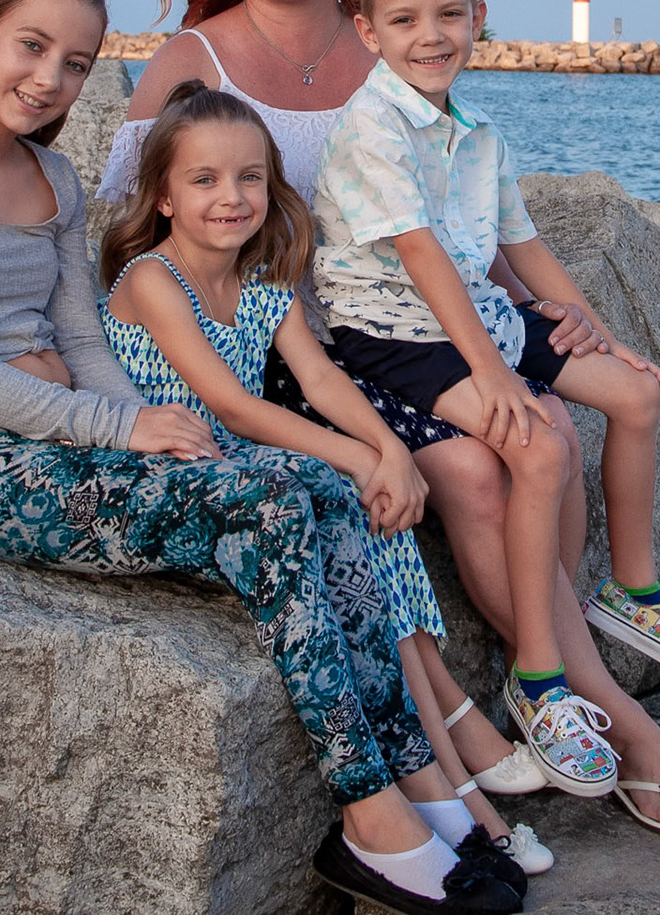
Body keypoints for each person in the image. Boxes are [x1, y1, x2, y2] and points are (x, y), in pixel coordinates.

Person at [0, 0, 522, 915]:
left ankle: (424, 783)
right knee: (270, 511)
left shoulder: (51, 178)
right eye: (32, 46)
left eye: (76, 63)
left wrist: (151, 428)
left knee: (324, 489)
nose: (50, 78)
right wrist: (118, 425)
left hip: (71, 438)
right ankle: (370, 820)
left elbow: (82, 339)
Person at [309, 0, 660, 836]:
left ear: (479, 17)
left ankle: (633, 591)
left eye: (449, 14)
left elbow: (522, 245)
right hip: (395, 333)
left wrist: (599, 333)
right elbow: (420, 258)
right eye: (405, 19)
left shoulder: (478, 133)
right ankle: (540, 676)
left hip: (472, 312)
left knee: (635, 393)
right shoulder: (371, 127)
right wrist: (495, 371)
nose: (431, 35)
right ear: (368, 29)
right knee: (538, 444)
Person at [97, 80, 552, 876]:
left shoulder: (263, 279)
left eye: (250, 177)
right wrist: (360, 458)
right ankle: (459, 778)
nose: (232, 197)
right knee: (348, 492)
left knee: (374, 512)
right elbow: (233, 407)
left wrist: (386, 450)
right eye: (204, 180)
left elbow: (322, 378)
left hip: (245, 460)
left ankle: (449, 762)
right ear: (164, 198)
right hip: (180, 468)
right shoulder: (152, 279)